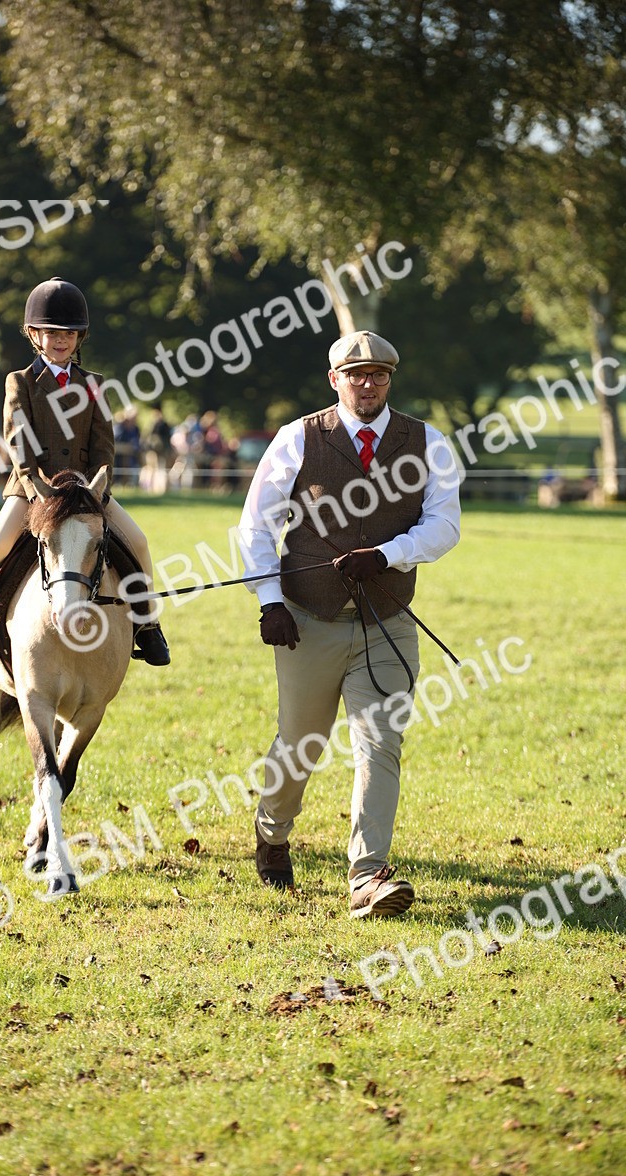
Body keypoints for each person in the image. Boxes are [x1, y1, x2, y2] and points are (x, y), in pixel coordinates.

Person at [238, 330, 460, 917]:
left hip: (388, 620)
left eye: (379, 376)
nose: (368, 385)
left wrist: (387, 555)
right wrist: (269, 601)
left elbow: (445, 525)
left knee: (381, 742)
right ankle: (272, 831)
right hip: (308, 619)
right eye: (356, 375)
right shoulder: (298, 438)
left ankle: (368, 876)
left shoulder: (426, 441)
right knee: (301, 743)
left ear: (390, 380)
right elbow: (256, 525)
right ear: (335, 380)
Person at [0, 277, 170, 667]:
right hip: (32, 489)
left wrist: (98, 484)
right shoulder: (19, 382)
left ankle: (148, 624)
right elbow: (17, 440)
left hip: (86, 492)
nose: (61, 340)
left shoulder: (95, 385)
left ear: (79, 337)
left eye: (69, 334)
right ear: (34, 334)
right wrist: (36, 487)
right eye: (52, 332)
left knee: (137, 541)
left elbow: (104, 444)